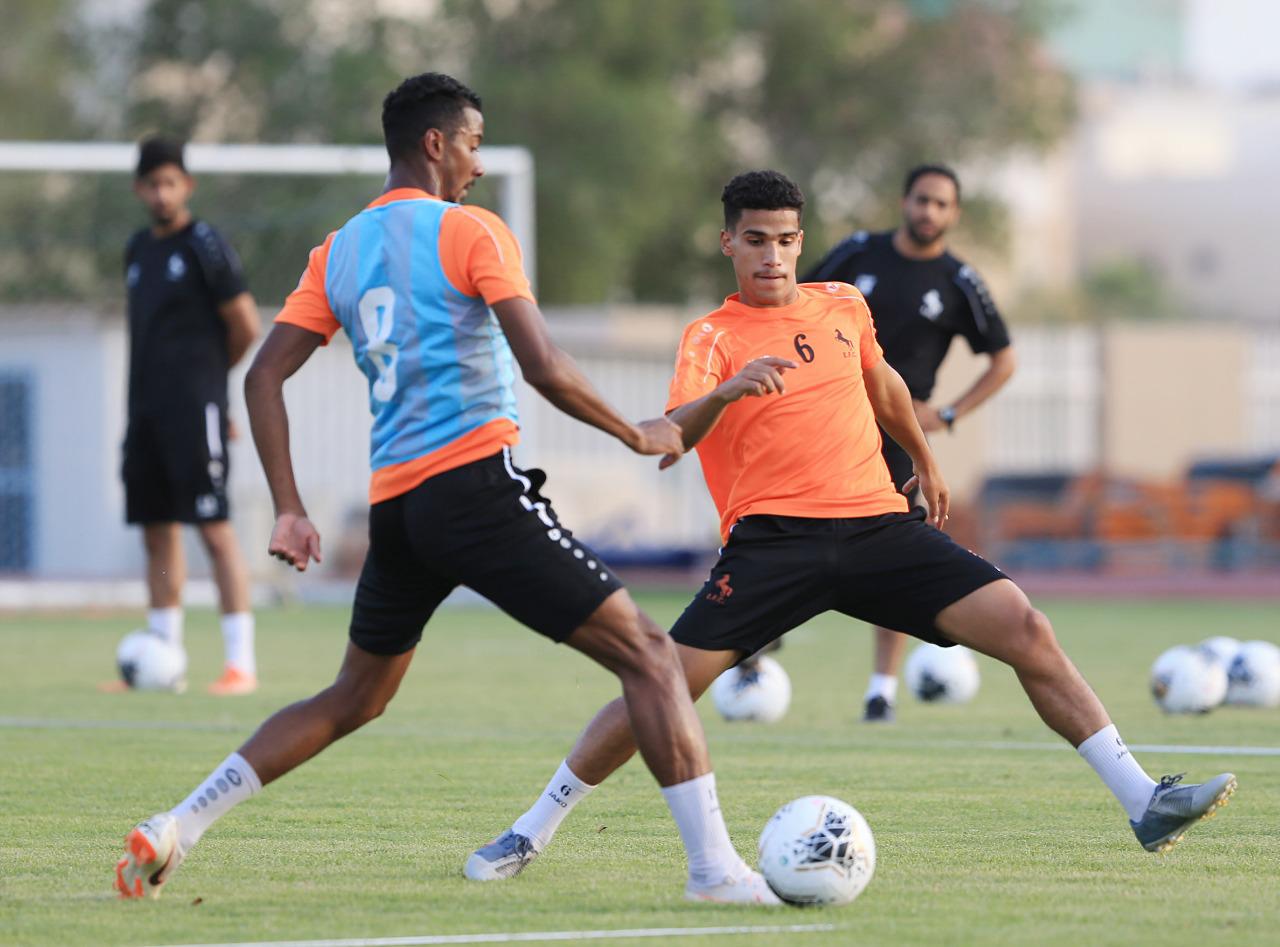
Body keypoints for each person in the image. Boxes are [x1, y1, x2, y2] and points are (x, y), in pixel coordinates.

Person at [113, 74, 776, 906]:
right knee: (650, 654)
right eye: (471, 141)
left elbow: (262, 377)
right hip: (475, 490)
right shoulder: (471, 232)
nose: (480, 162)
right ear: (434, 143)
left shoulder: (339, 249)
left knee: (355, 695)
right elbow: (543, 365)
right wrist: (634, 430)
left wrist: (289, 503)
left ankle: (179, 824)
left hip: (399, 510)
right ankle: (715, 872)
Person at [464, 170, 1236, 882]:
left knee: (1026, 626)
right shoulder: (710, 337)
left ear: (801, 240)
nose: (773, 254)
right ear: (729, 240)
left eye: (785, 239)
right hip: (773, 544)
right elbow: (675, 430)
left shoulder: (841, 303)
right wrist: (728, 390)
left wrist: (926, 462)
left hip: (877, 528)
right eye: (756, 239)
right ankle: (531, 830)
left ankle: (1144, 800)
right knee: (658, 683)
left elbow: (885, 385)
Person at [797, 162, 1016, 723]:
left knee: (890, 544)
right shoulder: (858, 253)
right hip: (826, 414)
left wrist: (946, 414)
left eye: (942, 204)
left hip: (896, 430)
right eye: (922, 200)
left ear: (955, 213)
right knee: (781, 516)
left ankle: (881, 690)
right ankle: (753, 640)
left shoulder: (958, 281)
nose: (930, 212)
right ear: (904, 201)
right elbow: (798, 303)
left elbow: (1004, 360)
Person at [119, 136, 262, 696]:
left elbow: (246, 326)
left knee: (214, 529)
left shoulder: (205, 244)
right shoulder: (137, 250)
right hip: (146, 414)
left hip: (195, 410)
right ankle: (164, 654)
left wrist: (212, 394)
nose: (161, 193)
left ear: (187, 186)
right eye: (151, 184)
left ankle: (239, 664)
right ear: (139, 190)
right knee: (157, 532)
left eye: (170, 182)